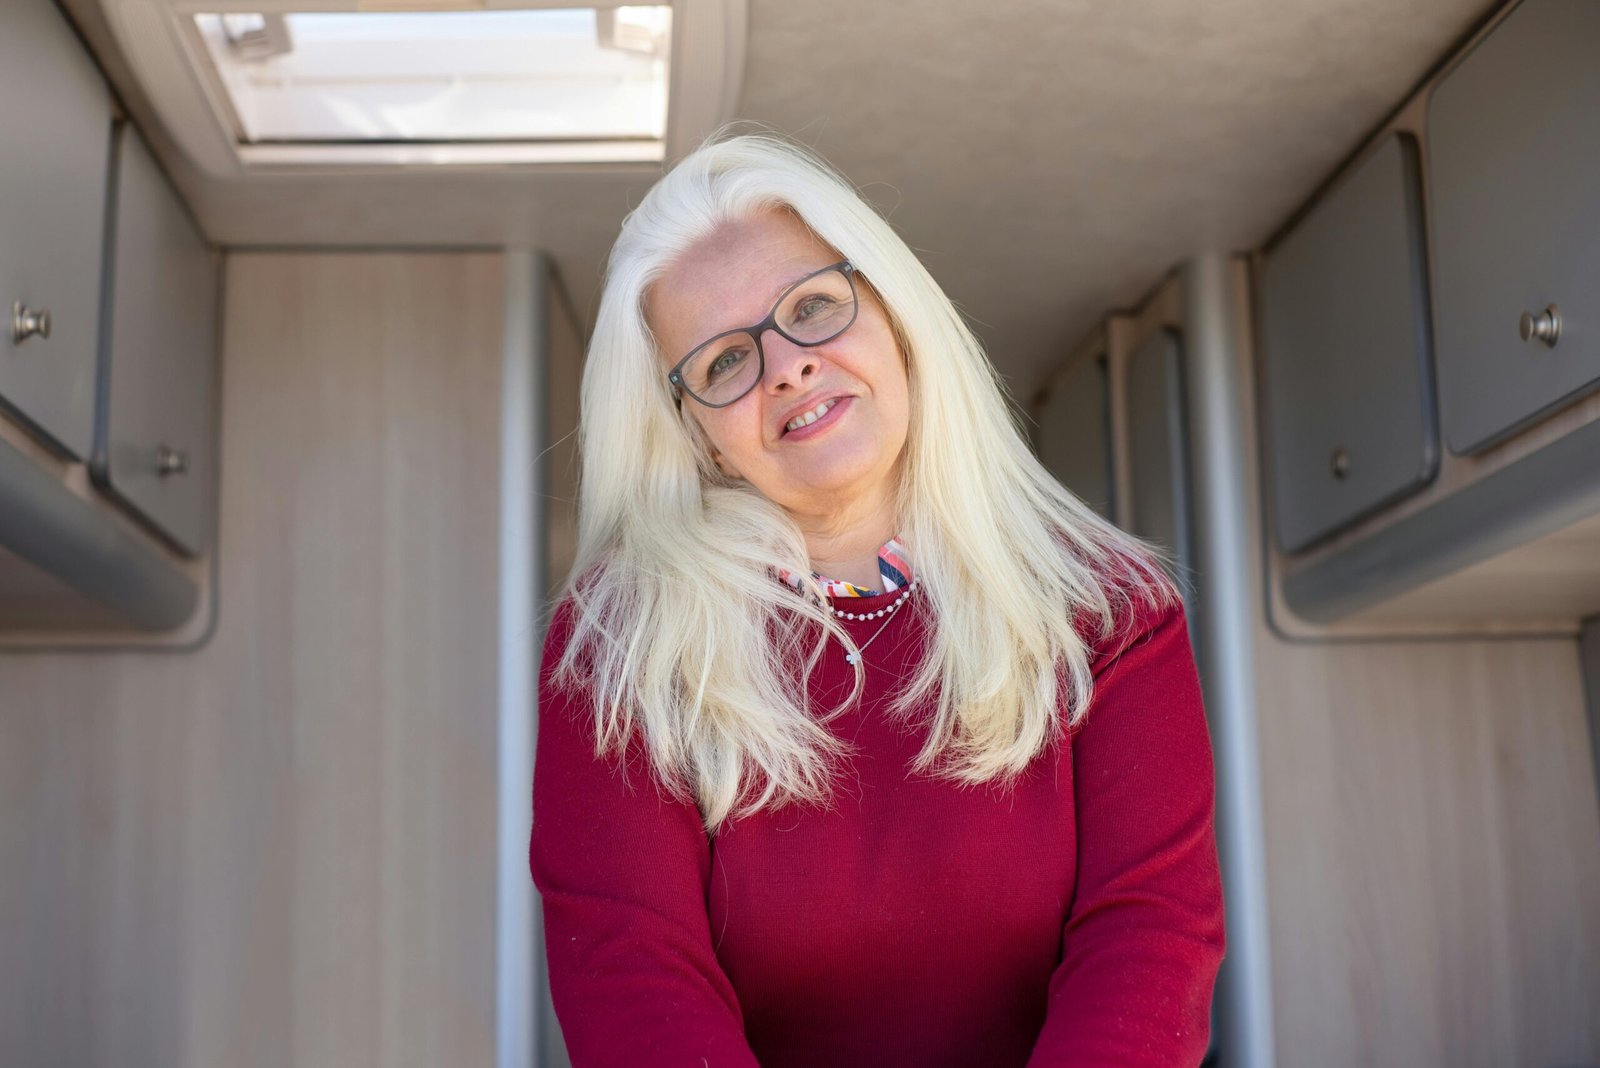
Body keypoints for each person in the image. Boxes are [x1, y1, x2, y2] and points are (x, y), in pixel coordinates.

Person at [528, 129, 1225, 1066]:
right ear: (691, 431)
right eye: (724, 362)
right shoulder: (619, 647)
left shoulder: (1110, 611)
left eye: (813, 306)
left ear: (894, 313)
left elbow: (1149, 943)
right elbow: (629, 977)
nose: (787, 365)